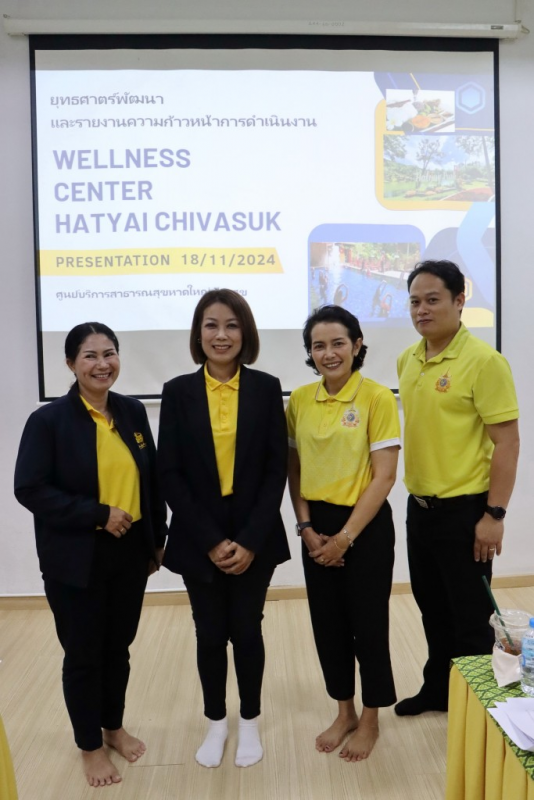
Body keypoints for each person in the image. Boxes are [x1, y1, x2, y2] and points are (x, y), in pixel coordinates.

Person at [14, 323, 167, 787]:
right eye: (90, 356)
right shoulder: (49, 421)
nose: (103, 364)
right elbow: (30, 488)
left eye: (110, 353)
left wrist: (156, 539)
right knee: (83, 654)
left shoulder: (131, 411)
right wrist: (99, 514)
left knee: (118, 649)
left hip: (130, 553)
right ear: (70, 364)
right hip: (76, 559)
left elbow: (151, 479)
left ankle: (113, 727)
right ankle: (90, 746)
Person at [158, 289, 289, 769]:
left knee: (247, 630)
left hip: (254, 532)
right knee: (210, 632)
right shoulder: (177, 391)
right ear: (198, 334)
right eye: (211, 325)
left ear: (245, 332)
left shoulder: (266, 387)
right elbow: (169, 472)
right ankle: (216, 721)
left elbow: (276, 469)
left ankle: (249, 720)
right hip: (200, 534)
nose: (221, 335)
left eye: (231, 325)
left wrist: (249, 540)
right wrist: (212, 541)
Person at [395, 260, 519, 716]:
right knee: (432, 609)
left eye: (433, 300)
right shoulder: (408, 359)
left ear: (459, 301)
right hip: (419, 508)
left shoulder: (485, 361)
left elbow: (508, 443)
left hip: (467, 512)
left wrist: (494, 516)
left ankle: (477, 713)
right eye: (415, 301)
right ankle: (438, 690)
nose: (422, 310)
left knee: (470, 618)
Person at [287, 305, 400, 762]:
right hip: (315, 528)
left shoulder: (377, 397)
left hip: (364, 528)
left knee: (368, 626)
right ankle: (345, 711)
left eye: (338, 343)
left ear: (356, 345)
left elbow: (384, 477)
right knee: (328, 626)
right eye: (318, 346)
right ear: (310, 352)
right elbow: (294, 469)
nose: (328, 353)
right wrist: (306, 527)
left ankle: (371, 718)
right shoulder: (299, 400)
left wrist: (344, 539)